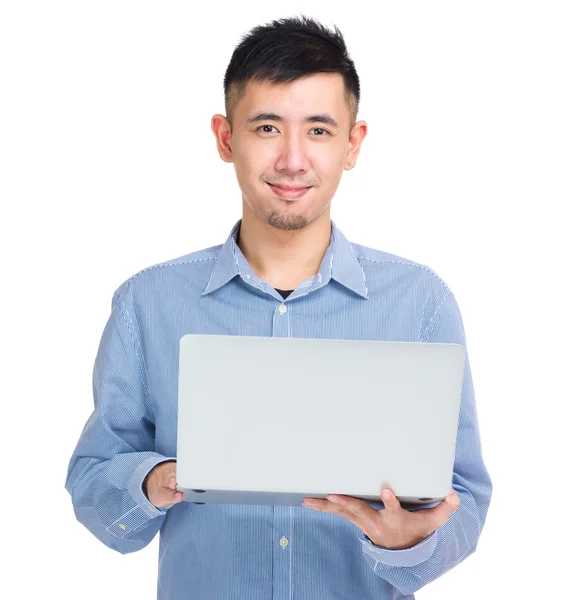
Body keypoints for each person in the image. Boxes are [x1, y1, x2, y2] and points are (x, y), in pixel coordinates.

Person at [65, 14, 492, 600]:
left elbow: (465, 503)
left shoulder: (420, 302)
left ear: (353, 144)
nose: (292, 159)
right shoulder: (149, 302)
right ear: (225, 137)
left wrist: (407, 540)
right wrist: (162, 479)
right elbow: (92, 485)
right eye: (267, 127)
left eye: (318, 130)